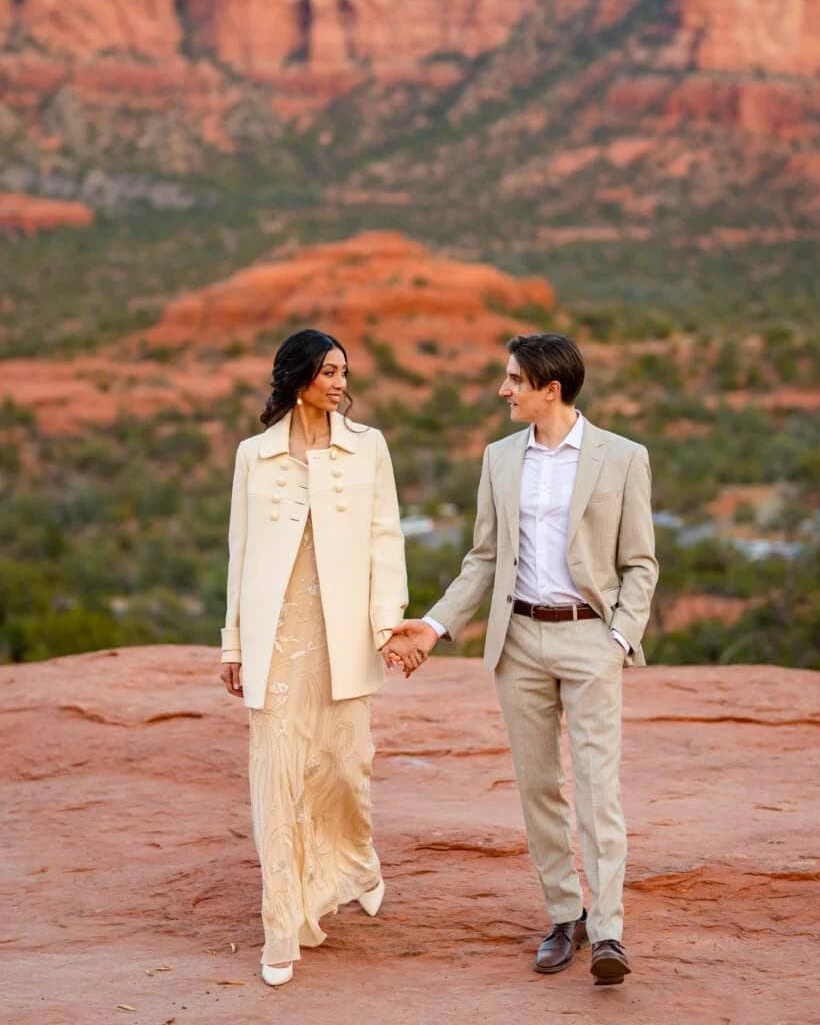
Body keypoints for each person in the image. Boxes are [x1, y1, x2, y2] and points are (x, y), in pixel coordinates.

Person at [385, 333, 658, 986]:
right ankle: (565, 917)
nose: (503, 391)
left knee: (597, 790)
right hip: (518, 644)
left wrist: (618, 638)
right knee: (538, 786)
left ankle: (610, 931)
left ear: (549, 388)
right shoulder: (500, 459)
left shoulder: (621, 457)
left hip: (589, 639)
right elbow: (483, 559)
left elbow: (639, 562)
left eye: (513, 380)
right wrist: (433, 624)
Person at [219, 328, 414, 987]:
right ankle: (282, 926)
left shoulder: (369, 448)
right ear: (298, 376)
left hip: (341, 636)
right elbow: (239, 553)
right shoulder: (255, 455)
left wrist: (387, 626)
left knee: (343, 766)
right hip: (276, 640)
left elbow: (386, 537)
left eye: (343, 371)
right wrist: (233, 642)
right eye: (329, 371)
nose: (340, 382)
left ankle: (354, 862)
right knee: (276, 777)